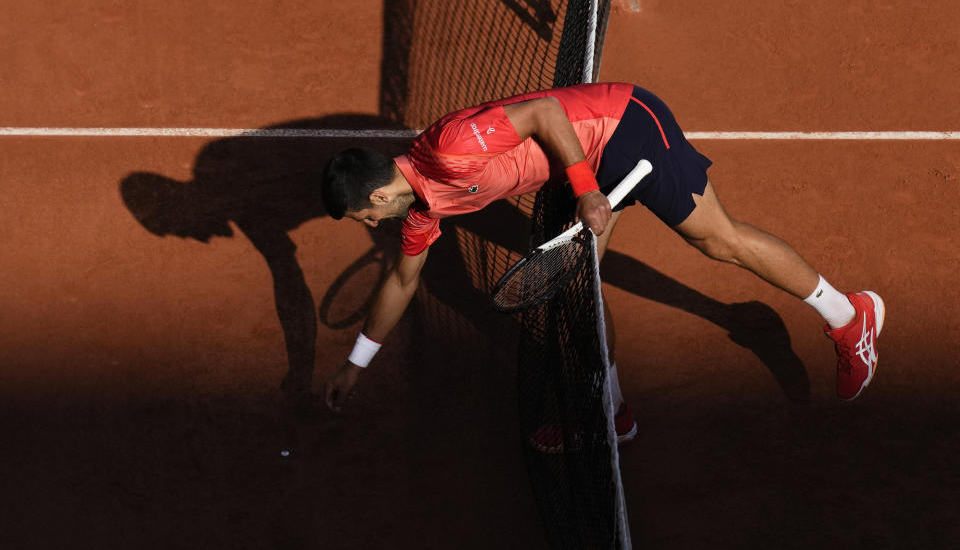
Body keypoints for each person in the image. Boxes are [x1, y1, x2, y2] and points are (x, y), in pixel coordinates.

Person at [320, 83, 884, 433]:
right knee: (575, 287)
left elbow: (543, 112)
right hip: (585, 163)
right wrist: (354, 365)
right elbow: (401, 279)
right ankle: (611, 412)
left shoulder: (450, 147)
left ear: (376, 196)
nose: (373, 228)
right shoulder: (420, 212)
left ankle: (848, 315)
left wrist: (588, 191)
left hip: (626, 128)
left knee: (717, 240)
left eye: (366, 218)